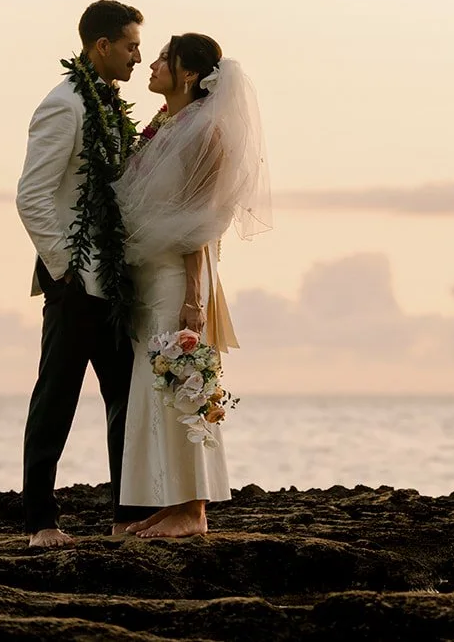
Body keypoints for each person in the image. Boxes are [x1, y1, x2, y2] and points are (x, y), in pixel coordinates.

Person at [114, 33, 272, 538]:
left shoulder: (206, 133)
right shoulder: (166, 125)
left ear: (187, 74)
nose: (152, 64)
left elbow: (202, 222)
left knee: (182, 384)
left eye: (164, 58)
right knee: (156, 386)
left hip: (179, 278)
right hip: (151, 271)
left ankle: (195, 510)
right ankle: (169, 501)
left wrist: (192, 298)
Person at [16, 0, 145, 549]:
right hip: (74, 284)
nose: (138, 56)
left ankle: (125, 515)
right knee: (56, 397)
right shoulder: (63, 105)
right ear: (102, 46)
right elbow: (31, 196)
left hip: (112, 284)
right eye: (131, 45)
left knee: (126, 397)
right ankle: (40, 520)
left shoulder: (112, 108)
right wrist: (64, 271)